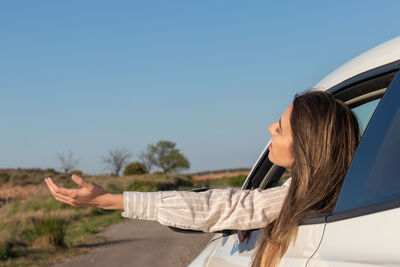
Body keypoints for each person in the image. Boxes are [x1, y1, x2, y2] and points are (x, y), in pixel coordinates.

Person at [45, 90, 360, 267]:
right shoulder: (338, 193)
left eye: (279, 128)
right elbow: (239, 207)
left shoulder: (286, 201)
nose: (269, 129)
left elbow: (219, 207)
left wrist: (107, 200)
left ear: (304, 148)